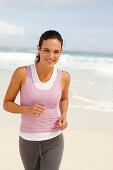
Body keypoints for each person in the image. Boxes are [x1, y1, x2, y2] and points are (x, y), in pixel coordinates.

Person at [3, 30, 71, 170]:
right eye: (46, 50)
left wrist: (63, 115)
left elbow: (64, 98)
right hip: (28, 141)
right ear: (38, 49)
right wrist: (26, 109)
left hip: (54, 139)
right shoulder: (22, 73)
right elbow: (6, 104)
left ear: (60, 52)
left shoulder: (64, 77)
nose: (51, 56)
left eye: (56, 52)